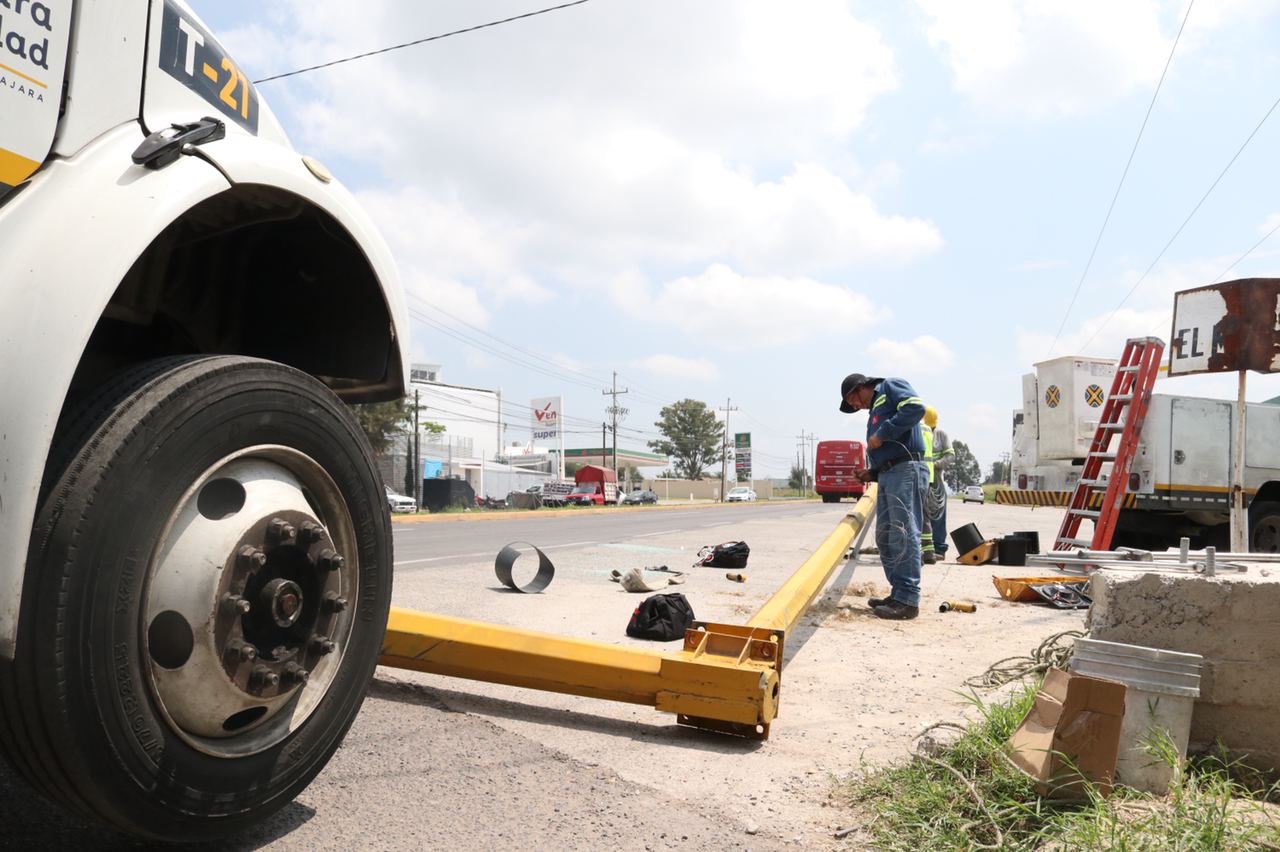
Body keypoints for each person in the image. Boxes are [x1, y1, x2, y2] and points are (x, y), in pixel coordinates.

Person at [839, 373, 928, 620]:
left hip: (906, 469)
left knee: (903, 532)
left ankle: (908, 600)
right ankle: (898, 594)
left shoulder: (890, 386)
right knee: (886, 537)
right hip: (889, 473)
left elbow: (915, 408)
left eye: (853, 400)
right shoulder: (875, 409)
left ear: (862, 386)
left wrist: (883, 432)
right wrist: (872, 472)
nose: (856, 406)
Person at [920, 405, 955, 563]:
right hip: (922, 479)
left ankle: (939, 548)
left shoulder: (941, 435)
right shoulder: (918, 432)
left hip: (936, 480)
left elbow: (950, 455)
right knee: (924, 516)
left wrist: (935, 464)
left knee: (938, 516)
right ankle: (925, 547)